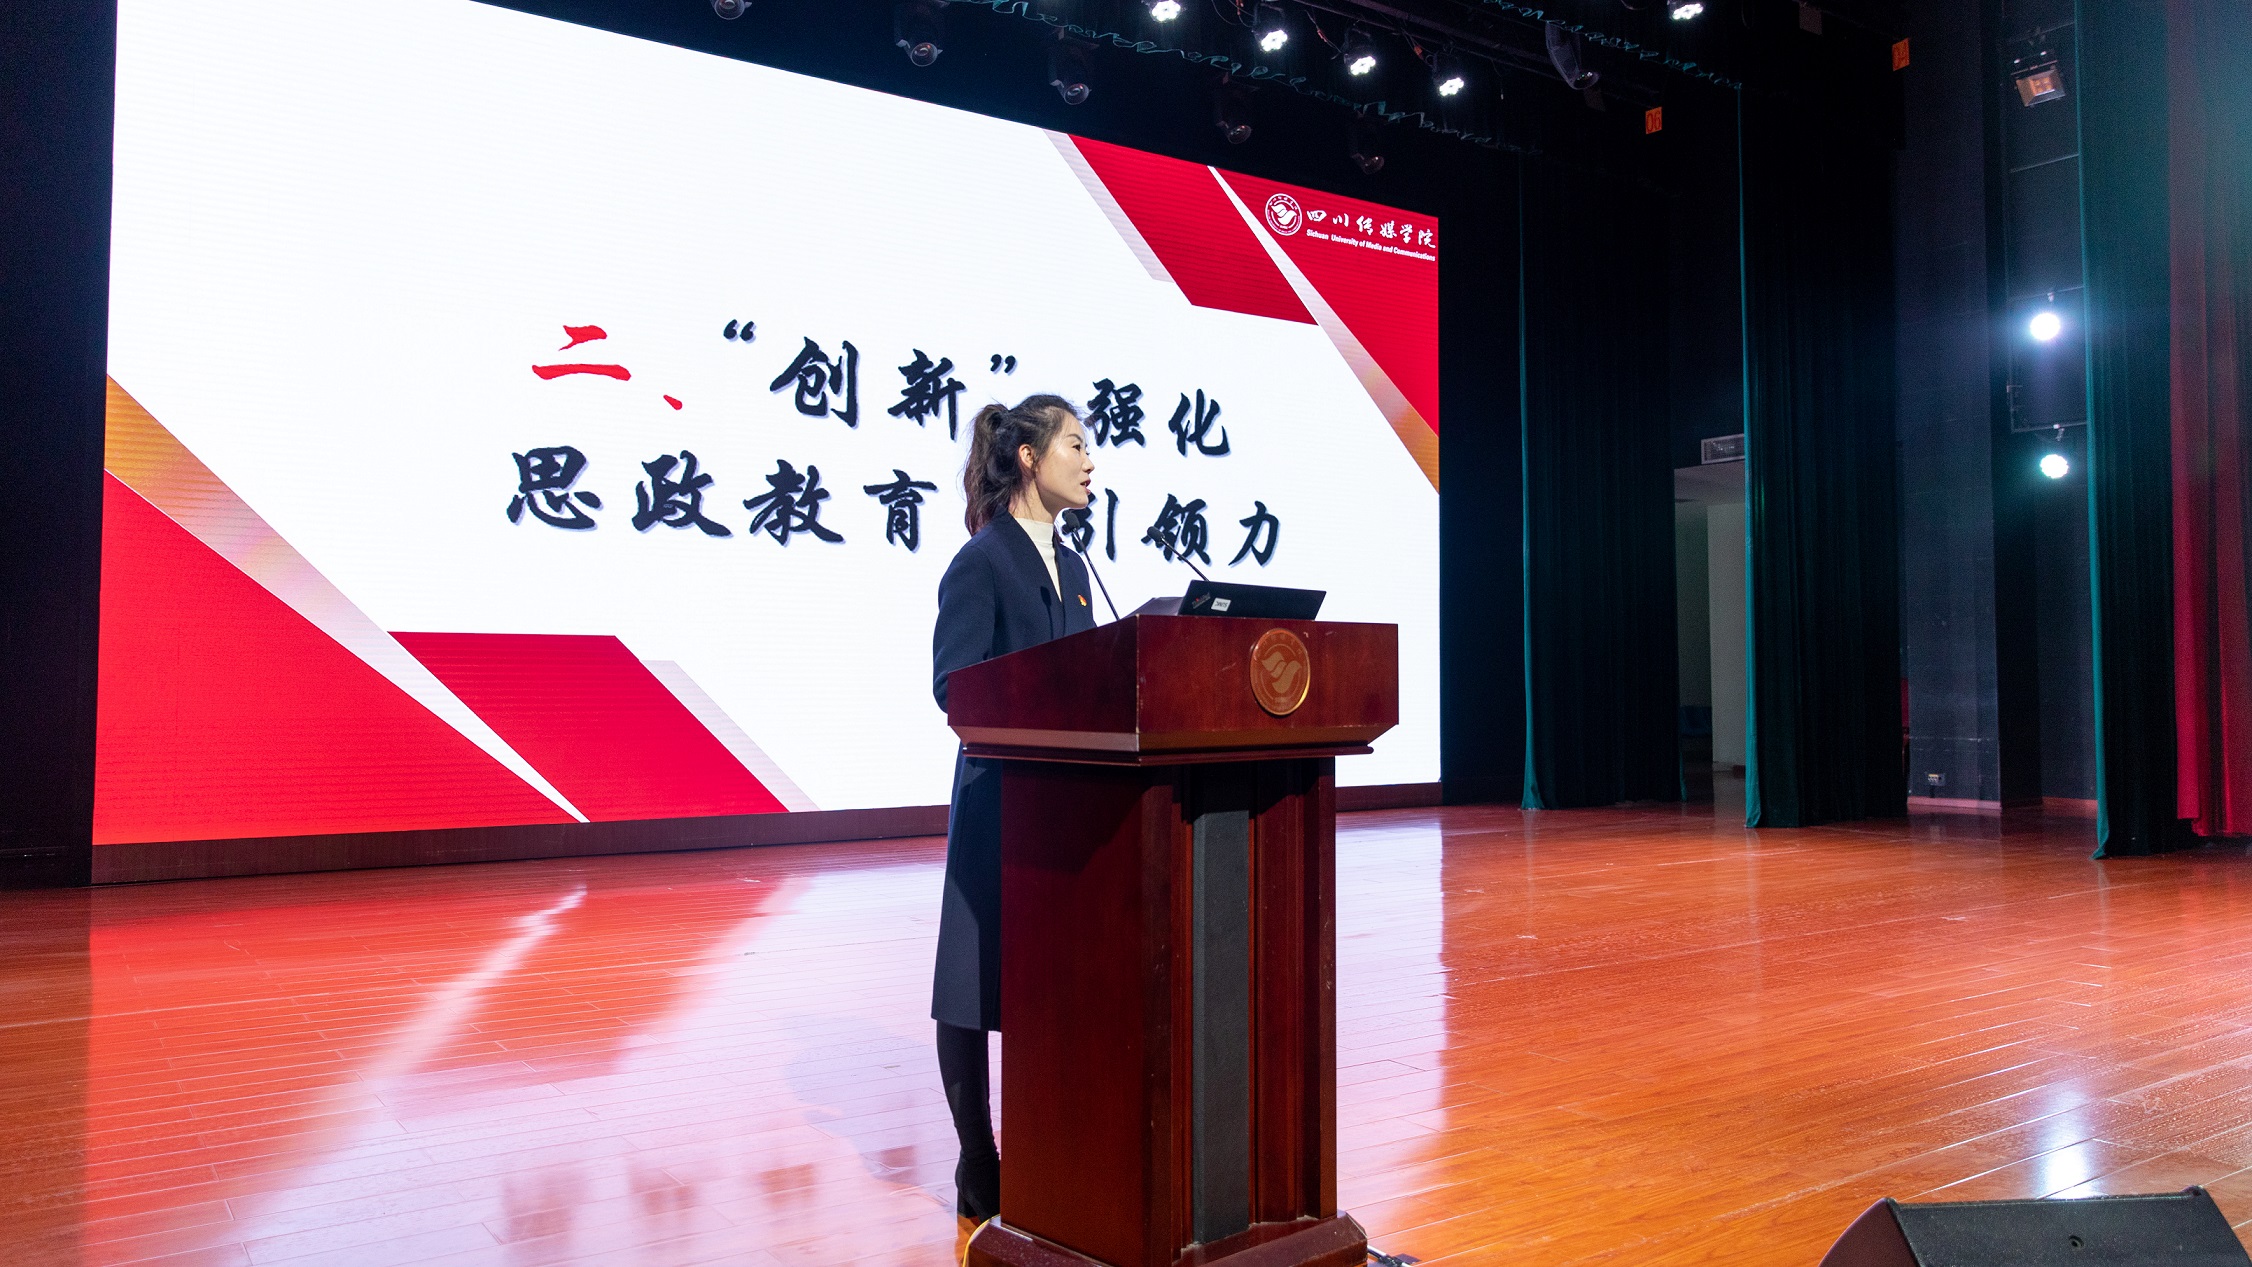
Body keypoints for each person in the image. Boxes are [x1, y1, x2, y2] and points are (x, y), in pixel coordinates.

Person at [929, 393, 1097, 1229]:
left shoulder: (1077, 566)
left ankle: (1056, 1141)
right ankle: (978, 1156)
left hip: (1068, 807)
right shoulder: (983, 561)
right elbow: (953, 685)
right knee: (971, 982)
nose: (1090, 461)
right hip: (998, 799)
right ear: (1029, 457)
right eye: (1075, 444)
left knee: (1051, 983)